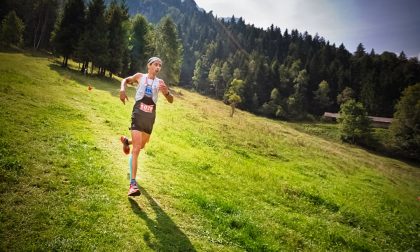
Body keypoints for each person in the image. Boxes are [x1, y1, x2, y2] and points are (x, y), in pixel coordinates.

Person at [119, 57, 173, 196]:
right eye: (156, 64)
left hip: (150, 117)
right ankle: (133, 184)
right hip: (138, 113)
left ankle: (126, 142)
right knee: (137, 149)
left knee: (142, 145)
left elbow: (171, 100)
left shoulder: (160, 82)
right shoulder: (139, 77)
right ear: (149, 65)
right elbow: (125, 80)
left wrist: (166, 92)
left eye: (160, 65)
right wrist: (122, 90)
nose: (158, 67)